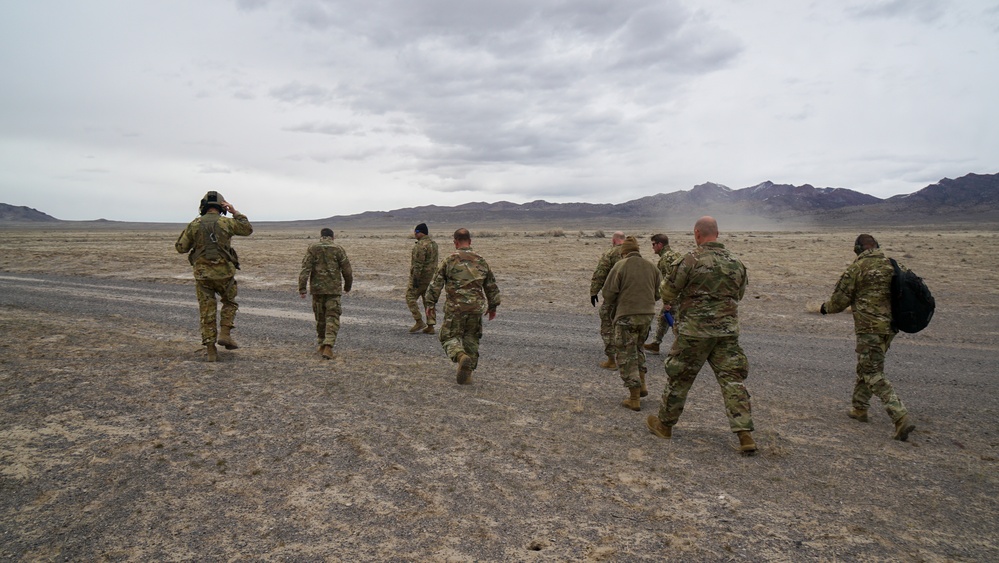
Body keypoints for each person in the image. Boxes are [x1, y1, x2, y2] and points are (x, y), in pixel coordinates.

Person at [646, 216, 757, 454]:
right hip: (726, 333)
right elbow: (739, 294)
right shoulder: (736, 263)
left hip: (694, 332)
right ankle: (744, 434)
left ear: (697, 233)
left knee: (680, 377)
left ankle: (664, 425)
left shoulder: (690, 260)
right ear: (717, 233)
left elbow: (667, 289)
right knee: (732, 380)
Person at [820, 234, 915, 441]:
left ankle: (899, 416)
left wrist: (824, 308)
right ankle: (859, 408)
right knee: (868, 365)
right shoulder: (894, 265)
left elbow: (839, 301)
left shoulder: (858, 268)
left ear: (857, 249)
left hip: (869, 328)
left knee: (872, 372)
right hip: (890, 328)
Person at [175, 191, 253, 362]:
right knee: (230, 302)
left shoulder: (194, 224)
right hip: (225, 274)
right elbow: (247, 229)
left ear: (203, 206)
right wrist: (235, 212)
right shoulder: (227, 222)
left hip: (203, 276)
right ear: (221, 206)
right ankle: (225, 333)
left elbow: (181, 248)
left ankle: (211, 350)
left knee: (207, 311)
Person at [424, 228, 500, 384]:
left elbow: (436, 284)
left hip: (455, 308)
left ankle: (460, 356)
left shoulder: (450, 260)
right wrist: (493, 307)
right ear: (470, 242)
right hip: (475, 308)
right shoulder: (481, 261)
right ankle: (468, 373)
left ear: (455, 242)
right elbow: (491, 286)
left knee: (448, 336)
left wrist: (430, 304)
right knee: (471, 339)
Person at [601, 236, 661, 411]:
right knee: (638, 348)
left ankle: (634, 397)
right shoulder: (652, 267)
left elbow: (608, 293)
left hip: (626, 316)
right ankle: (642, 385)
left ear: (623, 252)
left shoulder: (619, 266)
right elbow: (658, 293)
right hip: (647, 316)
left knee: (626, 354)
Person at [298, 228, 353, 360]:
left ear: (321, 236)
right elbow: (347, 270)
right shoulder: (338, 249)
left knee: (320, 318)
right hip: (333, 290)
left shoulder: (312, 248)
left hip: (317, 290)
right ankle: (328, 346)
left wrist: (302, 288)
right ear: (332, 237)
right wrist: (347, 286)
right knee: (332, 318)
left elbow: (305, 269)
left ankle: (322, 344)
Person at [590, 231, 625, 369]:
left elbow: (600, 273)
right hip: (631, 297)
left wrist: (594, 292)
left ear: (614, 240)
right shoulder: (634, 254)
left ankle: (611, 360)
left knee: (607, 324)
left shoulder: (610, 254)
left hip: (614, 296)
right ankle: (628, 359)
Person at [644, 233, 683, 355]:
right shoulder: (677, 255)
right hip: (681, 295)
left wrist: (667, 302)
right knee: (664, 318)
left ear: (660, 244)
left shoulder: (665, 259)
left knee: (675, 323)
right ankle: (656, 344)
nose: (652, 247)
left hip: (674, 297)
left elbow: (667, 282)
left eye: (654, 244)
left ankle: (682, 348)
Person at [406, 223, 439, 334]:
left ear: (420, 233)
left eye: (416, 232)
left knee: (410, 297)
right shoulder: (434, 244)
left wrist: (415, 279)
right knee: (428, 301)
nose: (415, 235)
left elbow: (418, 265)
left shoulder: (420, 246)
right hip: (431, 278)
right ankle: (431, 325)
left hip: (420, 279)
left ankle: (419, 321)